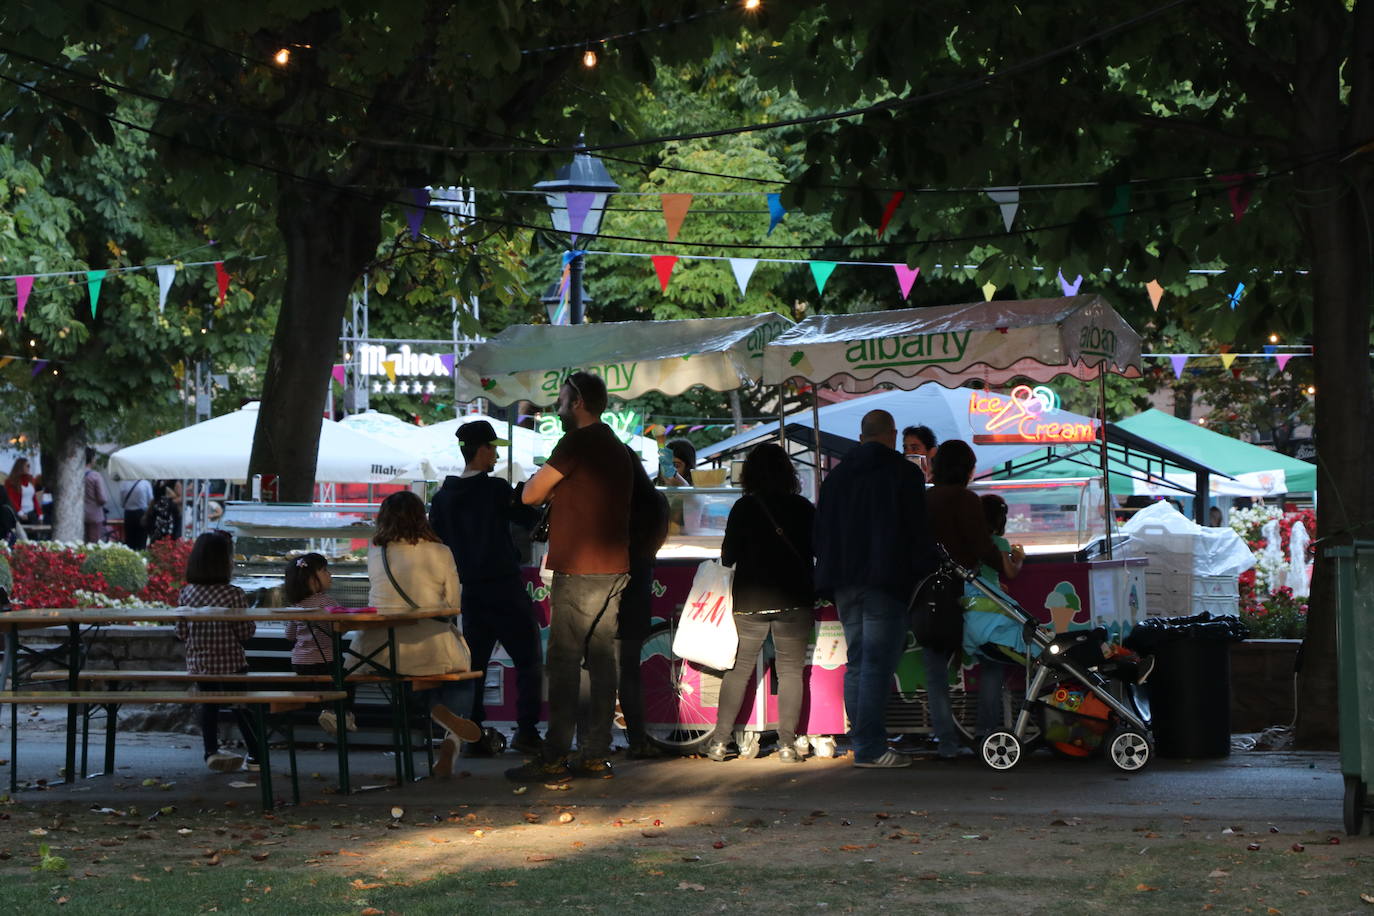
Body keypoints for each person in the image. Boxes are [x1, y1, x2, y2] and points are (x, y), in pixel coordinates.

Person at [507, 371, 633, 783]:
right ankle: (595, 754)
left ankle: (554, 757)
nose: (557, 409)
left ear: (577, 402)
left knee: (562, 663)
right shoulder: (616, 445)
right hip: (614, 568)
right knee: (600, 662)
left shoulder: (578, 441)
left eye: (561, 401)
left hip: (579, 569)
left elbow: (529, 495)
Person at [814, 409, 936, 769]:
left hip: (844, 581)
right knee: (876, 665)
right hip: (885, 579)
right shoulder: (904, 474)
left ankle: (861, 741)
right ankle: (869, 747)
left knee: (858, 662)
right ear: (892, 435)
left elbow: (821, 531)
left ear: (861, 434)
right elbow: (917, 530)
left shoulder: (835, 477)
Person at [428, 419, 544, 757]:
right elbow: (531, 520)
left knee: (474, 665)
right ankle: (527, 731)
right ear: (480, 451)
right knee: (527, 658)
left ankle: (474, 733)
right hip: (505, 586)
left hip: (471, 592)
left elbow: (439, 544)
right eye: (492, 448)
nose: (495, 455)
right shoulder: (495, 490)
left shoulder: (443, 498)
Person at [355, 491, 481, 779]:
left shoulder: (375, 551)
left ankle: (432, 708)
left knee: (404, 679)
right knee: (462, 672)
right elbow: (453, 605)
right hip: (431, 644)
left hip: (377, 649)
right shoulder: (440, 552)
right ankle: (451, 737)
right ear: (421, 517)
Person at [704, 444, 815, 764]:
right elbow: (817, 548)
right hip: (794, 598)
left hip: (751, 601)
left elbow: (728, 556)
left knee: (738, 671)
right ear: (787, 472)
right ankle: (786, 746)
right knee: (791, 671)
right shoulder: (803, 507)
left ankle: (720, 742)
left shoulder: (743, 507)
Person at [923, 439, 1008, 758]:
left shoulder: (924, 499)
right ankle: (986, 731)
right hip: (969, 595)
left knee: (935, 669)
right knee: (992, 658)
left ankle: (946, 742)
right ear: (968, 470)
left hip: (931, 594)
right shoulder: (967, 500)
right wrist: (1006, 565)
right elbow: (982, 547)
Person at [174, 530, 262, 773]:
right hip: (232, 664)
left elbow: (181, 633)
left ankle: (211, 751)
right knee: (241, 706)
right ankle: (255, 755)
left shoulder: (186, 593)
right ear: (225, 562)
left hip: (200, 665)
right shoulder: (233, 594)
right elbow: (245, 633)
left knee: (209, 706)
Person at [618, 442, 670, 759]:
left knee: (597, 668)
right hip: (639, 586)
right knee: (629, 669)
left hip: (608, 586)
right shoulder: (655, 501)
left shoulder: (611, 503)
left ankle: (590, 741)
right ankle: (638, 739)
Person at [282, 553, 355, 736]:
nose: (329, 574)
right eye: (324, 571)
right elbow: (337, 630)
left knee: (324, 687)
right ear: (311, 579)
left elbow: (289, 636)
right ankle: (340, 714)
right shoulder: (327, 602)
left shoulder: (296, 605)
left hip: (300, 663)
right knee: (349, 679)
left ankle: (330, 712)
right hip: (326, 661)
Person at [118, 478, 154, 550]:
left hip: (128, 514)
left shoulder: (123, 484)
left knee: (129, 540)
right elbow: (150, 500)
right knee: (142, 539)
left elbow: (121, 503)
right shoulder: (145, 483)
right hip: (142, 513)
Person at [82, 448, 109, 543]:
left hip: (80, 515)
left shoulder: (77, 475)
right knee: (94, 543)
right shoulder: (95, 476)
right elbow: (102, 498)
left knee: (83, 543)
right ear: (91, 459)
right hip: (95, 515)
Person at [5, 458, 41, 524]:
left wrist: (39, 513)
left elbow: (34, 498)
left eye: (29, 466)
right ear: (20, 467)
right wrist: (20, 513)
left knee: (34, 533)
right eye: (27, 466)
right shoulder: (11, 481)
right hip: (19, 514)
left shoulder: (30, 480)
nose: (29, 468)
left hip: (32, 513)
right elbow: (10, 498)